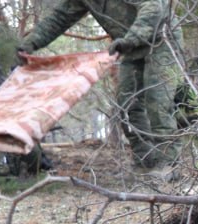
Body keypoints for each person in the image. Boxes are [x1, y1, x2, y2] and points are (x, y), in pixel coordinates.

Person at [17, 0, 183, 169]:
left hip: (162, 40)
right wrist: (30, 43)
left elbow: (153, 6)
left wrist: (131, 39)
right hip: (132, 47)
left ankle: (167, 164)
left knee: (158, 103)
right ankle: (145, 163)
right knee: (127, 106)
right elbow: (60, 17)